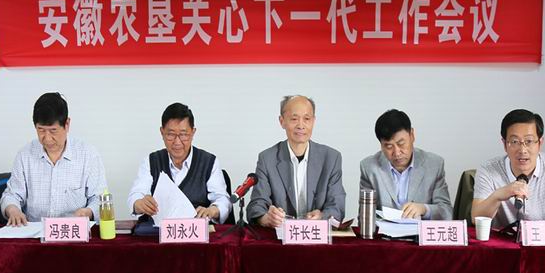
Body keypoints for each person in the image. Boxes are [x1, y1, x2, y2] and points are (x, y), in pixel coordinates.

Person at [1, 93, 107, 225]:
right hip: (36, 232)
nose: (47, 138)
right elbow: (12, 195)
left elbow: (100, 198)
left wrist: (88, 212)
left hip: (73, 231)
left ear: (67, 124)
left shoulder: (88, 155)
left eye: (53, 130)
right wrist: (13, 210)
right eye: (41, 130)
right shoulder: (24, 155)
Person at [471, 108, 545, 229]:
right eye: (514, 141)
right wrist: (497, 196)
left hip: (542, 238)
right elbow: (476, 219)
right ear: (504, 144)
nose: (522, 150)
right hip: (501, 239)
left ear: (540, 143)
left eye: (529, 141)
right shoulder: (488, 170)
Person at [247, 95, 346, 227]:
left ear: (313, 121)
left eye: (307, 119)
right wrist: (267, 218)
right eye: (294, 119)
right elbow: (256, 205)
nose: (301, 125)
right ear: (282, 121)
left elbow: (337, 206)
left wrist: (322, 217)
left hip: (316, 235)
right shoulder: (267, 158)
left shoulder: (331, 158)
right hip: (280, 236)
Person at [127, 102, 231, 224]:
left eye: (183, 134)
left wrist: (213, 210)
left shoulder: (209, 162)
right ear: (162, 132)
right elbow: (136, 194)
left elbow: (222, 199)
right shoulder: (151, 161)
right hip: (159, 232)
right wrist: (138, 203)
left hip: (196, 230)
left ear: (193, 132)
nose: (177, 142)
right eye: (171, 134)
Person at [359, 109, 452, 220]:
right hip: (385, 231)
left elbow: (446, 212)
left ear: (412, 135)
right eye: (389, 146)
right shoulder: (369, 168)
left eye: (401, 143)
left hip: (419, 231)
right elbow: (364, 217)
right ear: (381, 145)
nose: (397, 152)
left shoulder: (434, 165)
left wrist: (424, 209)